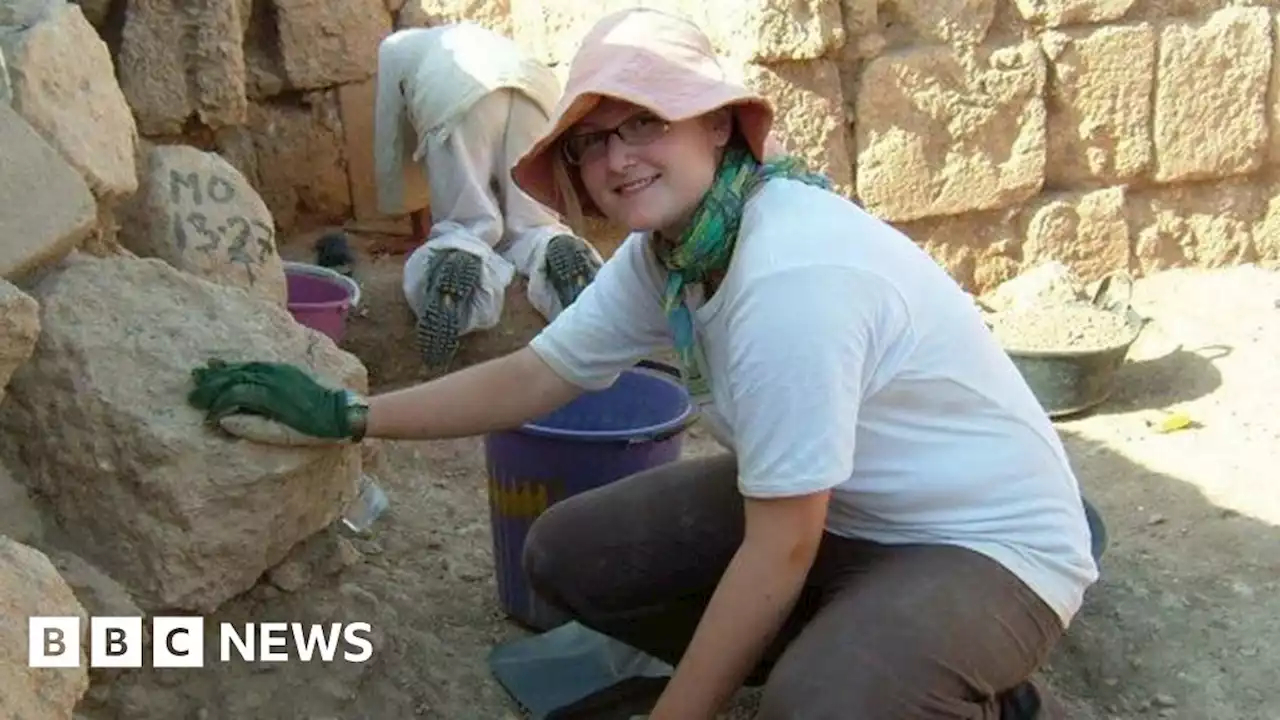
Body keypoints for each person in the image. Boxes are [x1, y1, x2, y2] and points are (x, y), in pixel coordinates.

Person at [188, 8, 1101, 718]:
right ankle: (862, 646)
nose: (619, 159)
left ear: (715, 128)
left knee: (823, 706)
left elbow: (782, 540)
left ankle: (961, 692)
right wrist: (350, 414)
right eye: (593, 141)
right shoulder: (673, 251)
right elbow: (539, 374)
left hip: (983, 544)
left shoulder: (793, 276)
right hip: (850, 514)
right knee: (570, 557)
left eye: (645, 124)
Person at [373, 22, 603, 369]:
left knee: (468, 223)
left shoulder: (393, 49)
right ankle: (552, 244)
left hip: (457, 93)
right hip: (535, 87)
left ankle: (457, 255)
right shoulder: (479, 38)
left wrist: (413, 225)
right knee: (533, 218)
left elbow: (395, 149)